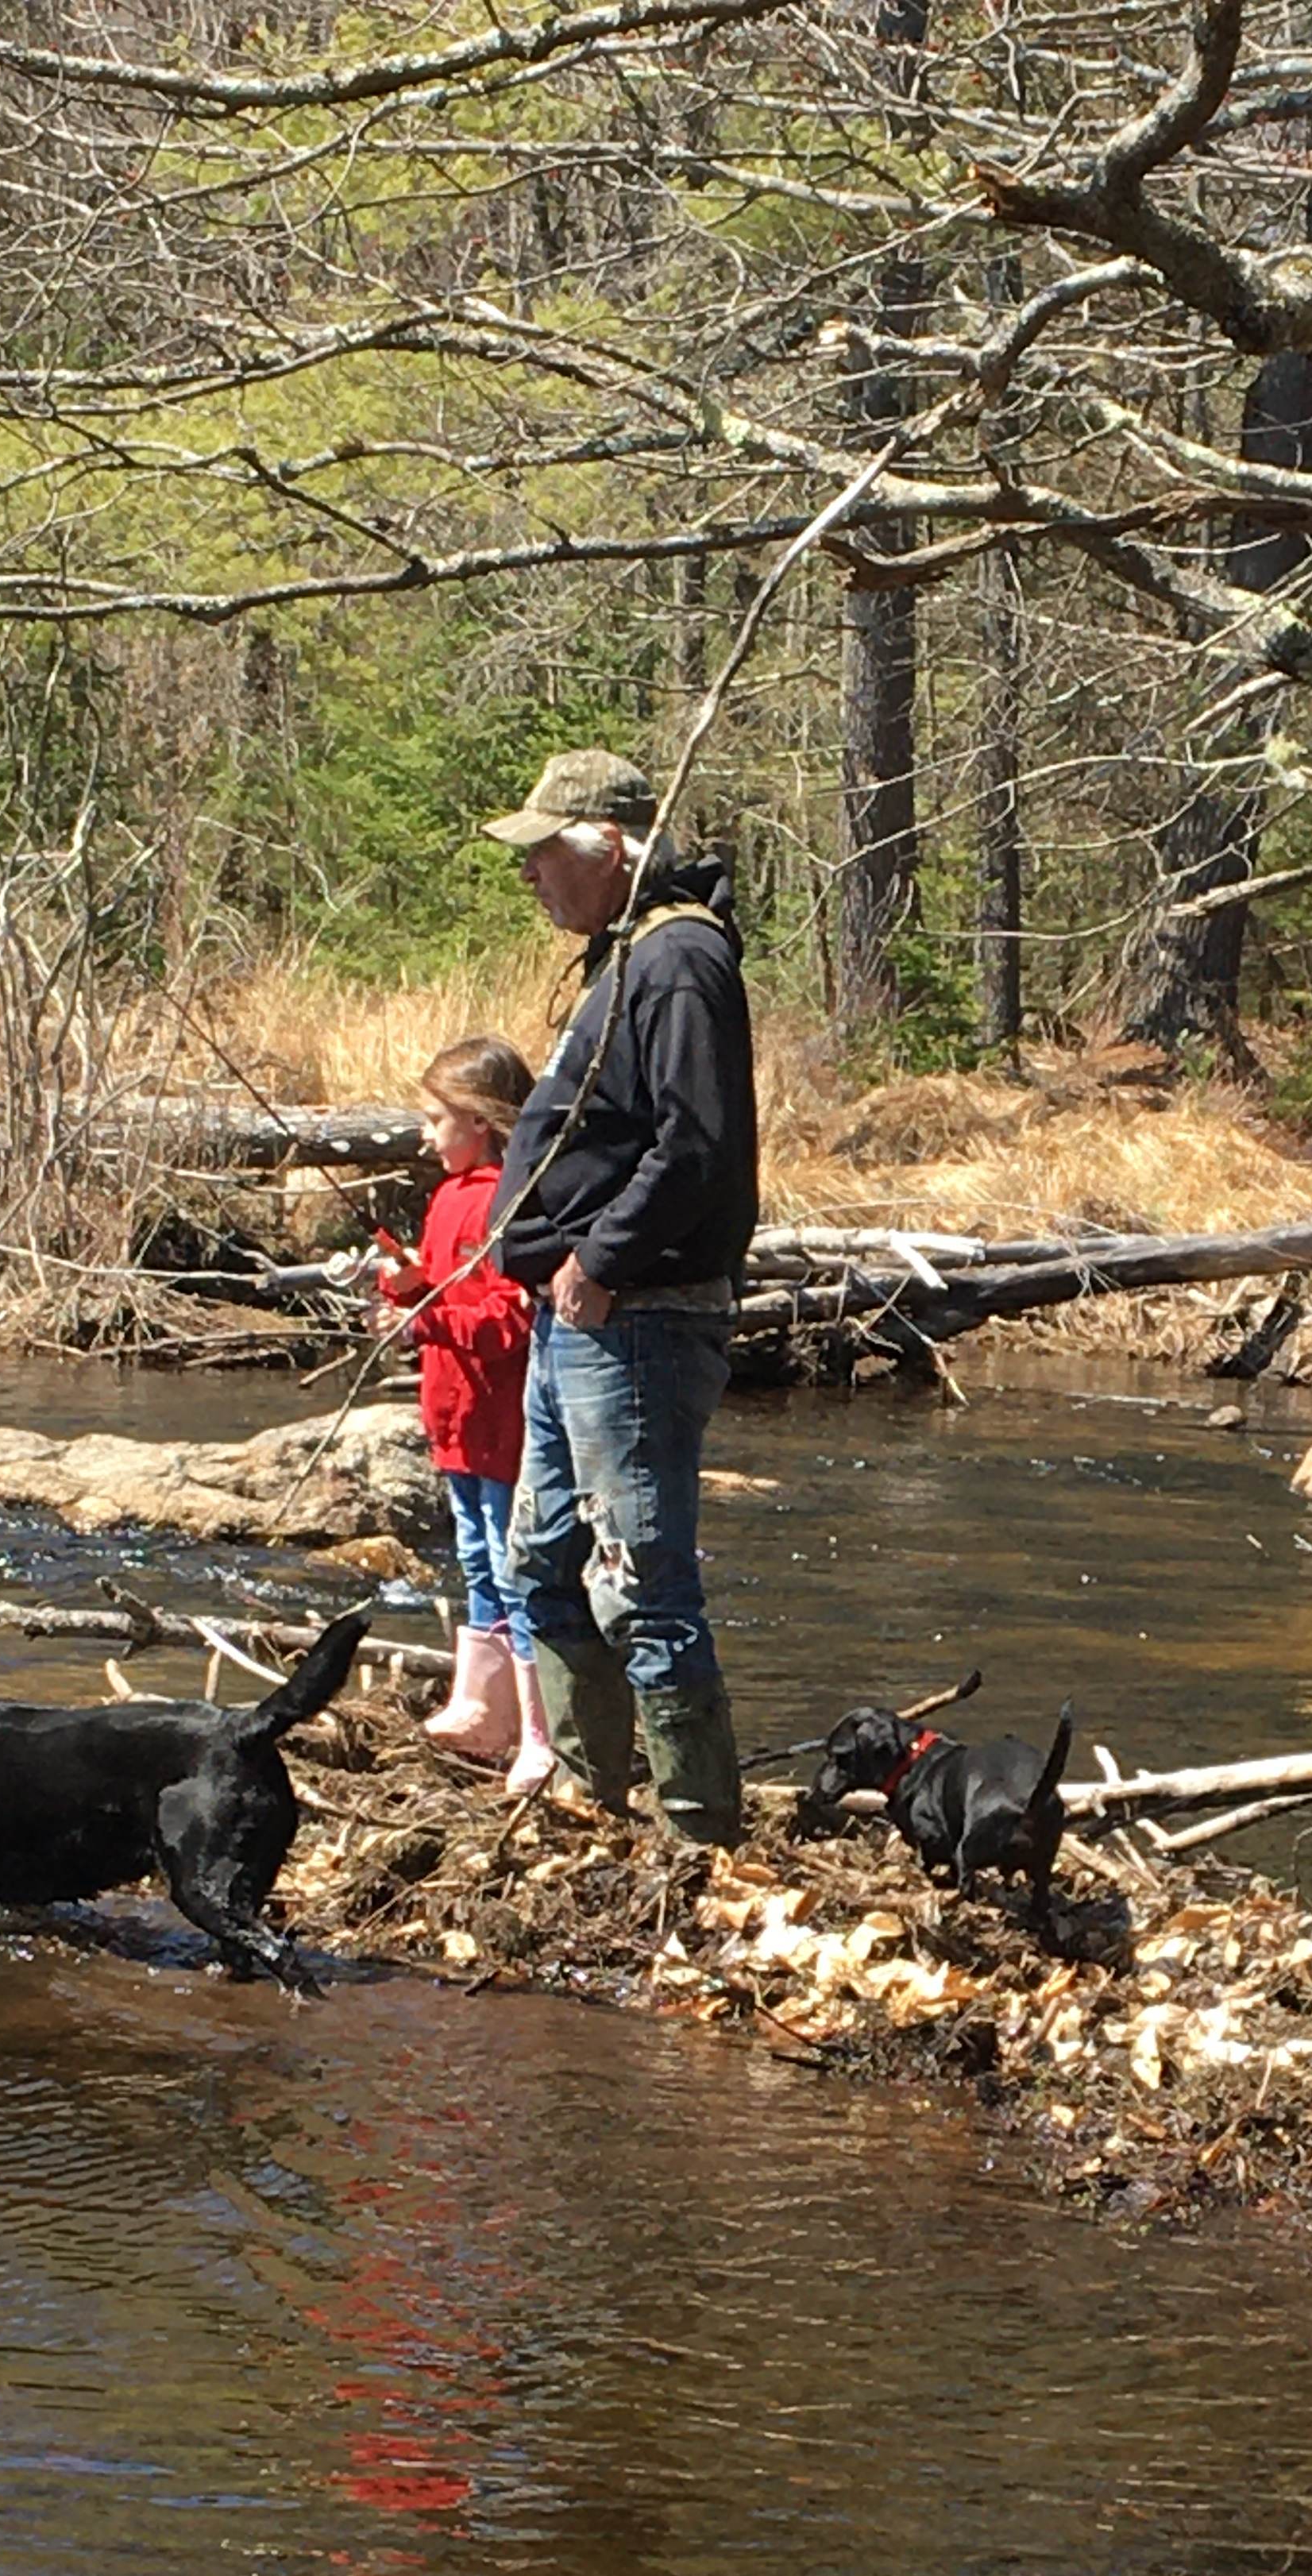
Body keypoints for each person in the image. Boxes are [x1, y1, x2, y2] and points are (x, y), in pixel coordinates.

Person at [480, 747, 757, 1844]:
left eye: (543, 854)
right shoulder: (629, 956)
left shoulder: (681, 960)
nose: (530, 877)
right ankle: (593, 1805)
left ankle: (699, 1830)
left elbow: (701, 1149)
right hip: (582, 1319)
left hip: (633, 1317)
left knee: (641, 1584)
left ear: (613, 848)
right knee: (542, 1561)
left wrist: (598, 1262)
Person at [376, 1034, 556, 1797]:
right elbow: (444, 1293)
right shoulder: (447, 1195)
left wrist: (428, 1317)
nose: (424, 1133)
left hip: (501, 1427)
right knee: (478, 1561)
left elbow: (505, 1324)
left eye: (434, 1118)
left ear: (479, 1121)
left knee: (516, 1571)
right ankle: (482, 1707)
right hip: (451, 1421)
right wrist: (404, 1283)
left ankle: (539, 1731)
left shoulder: (503, 1199)